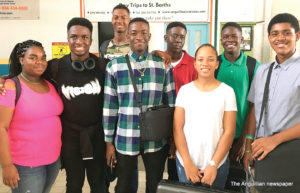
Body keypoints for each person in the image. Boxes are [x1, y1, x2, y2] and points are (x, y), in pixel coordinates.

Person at [103, 17, 176, 193]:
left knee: (155, 185)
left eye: (143, 32)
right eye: (134, 33)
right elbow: (109, 107)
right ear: (128, 36)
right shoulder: (114, 67)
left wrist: (173, 139)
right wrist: (108, 143)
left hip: (156, 139)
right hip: (126, 136)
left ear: (149, 36)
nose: (139, 37)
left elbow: (172, 105)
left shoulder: (163, 65)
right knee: (124, 186)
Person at [243, 13, 300, 193]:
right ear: (269, 38)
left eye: (286, 33)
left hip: (290, 154)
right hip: (262, 154)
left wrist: (274, 140)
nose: (280, 38)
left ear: (297, 36)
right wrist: (248, 147)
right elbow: (255, 110)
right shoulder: (262, 71)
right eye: (275, 34)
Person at [0, 40, 63, 193]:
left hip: (53, 159)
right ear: (21, 60)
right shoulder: (10, 87)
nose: (39, 62)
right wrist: (7, 165)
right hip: (26, 163)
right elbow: (1, 128)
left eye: (42, 58)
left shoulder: (50, 84)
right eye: (33, 57)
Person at [174, 44, 237, 190]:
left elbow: (229, 132)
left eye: (210, 59)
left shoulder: (227, 92)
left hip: (217, 164)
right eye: (201, 59)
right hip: (186, 163)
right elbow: (178, 128)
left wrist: (213, 165)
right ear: (195, 64)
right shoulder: (185, 91)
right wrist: (187, 162)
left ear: (217, 64)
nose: (205, 64)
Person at [216, 22, 261, 191]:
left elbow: (253, 107)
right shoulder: (215, 64)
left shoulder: (253, 66)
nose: (230, 40)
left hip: (240, 139)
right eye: (226, 37)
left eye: (234, 36)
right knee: (217, 184)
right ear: (221, 40)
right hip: (217, 138)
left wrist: (244, 141)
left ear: (242, 39)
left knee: (239, 184)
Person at [164, 21, 198, 181]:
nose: (178, 40)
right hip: (161, 124)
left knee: (177, 172)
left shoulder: (194, 64)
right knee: (156, 173)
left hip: (185, 127)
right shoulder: (157, 61)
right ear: (166, 37)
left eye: (182, 37)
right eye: (174, 36)